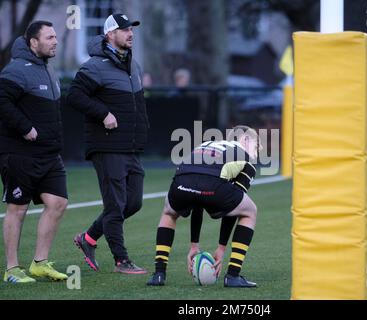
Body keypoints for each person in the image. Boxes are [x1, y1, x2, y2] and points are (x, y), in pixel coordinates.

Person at [67, 14, 149, 275]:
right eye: (124, 30)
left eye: (131, 29)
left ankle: (88, 238)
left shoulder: (132, 64)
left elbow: (139, 104)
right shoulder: (95, 65)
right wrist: (103, 113)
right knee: (115, 206)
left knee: (133, 203)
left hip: (130, 146)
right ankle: (121, 260)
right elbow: (74, 95)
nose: (130, 33)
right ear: (109, 35)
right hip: (107, 145)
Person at [147, 125, 260, 287]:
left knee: (169, 213)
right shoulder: (245, 158)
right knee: (249, 211)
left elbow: (197, 198)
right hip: (211, 186)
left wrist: (195, 245)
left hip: (181, 182)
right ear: (245, 139)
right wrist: (221, 249)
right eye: (256, 146)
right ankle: (233, 275)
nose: (256, 153)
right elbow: (233, 210)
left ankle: (159, 274)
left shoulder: (207, 144)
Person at [0, 21, 68, 283]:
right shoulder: (17, 69)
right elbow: (2, 102)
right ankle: (12, 269)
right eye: (49, 37)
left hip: (49, 154)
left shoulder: (48, 70)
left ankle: (40, 263)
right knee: (18, 209)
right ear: (33, 42)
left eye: (55, 36)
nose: (55, 41)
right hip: (19, 153)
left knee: (58, 203)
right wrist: (24, 126)